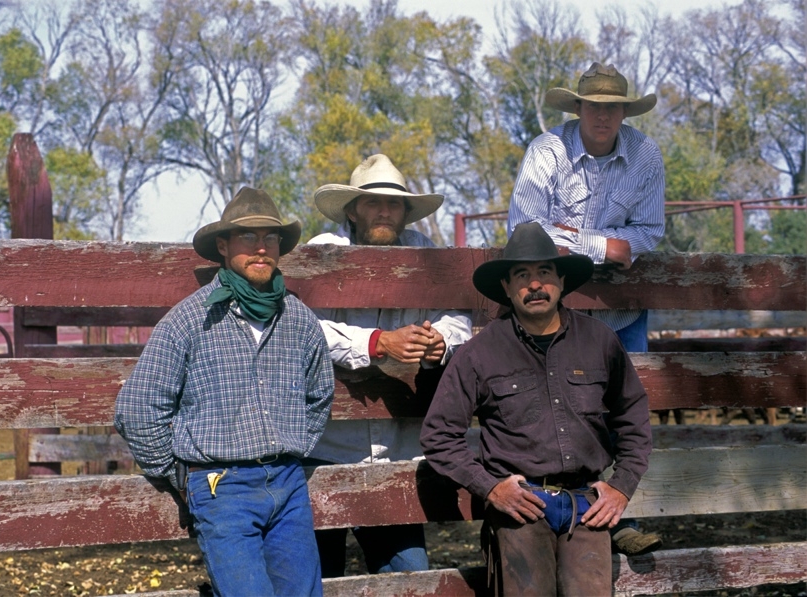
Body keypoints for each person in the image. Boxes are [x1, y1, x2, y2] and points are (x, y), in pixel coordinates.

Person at [114, 187, 335, 597]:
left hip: (287, 480)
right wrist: (181, 475)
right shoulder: (189, 320)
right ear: (223, 245)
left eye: (271, 238)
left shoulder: (299, 320)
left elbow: (320, 394)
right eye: (248, 237)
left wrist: (295, 445)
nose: (261, 248)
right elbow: (138, 409)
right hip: (221, 484)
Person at [421, 222, 653, 595]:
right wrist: (491, 488)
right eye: (522, 275)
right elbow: (438, 436)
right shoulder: (479, 353)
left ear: (561, 281)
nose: (534, 285)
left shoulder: (599, 341)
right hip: (521, 506)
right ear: (506, 287)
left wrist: (621, 488)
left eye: (544, 273)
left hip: (586, 506)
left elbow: (634, 418)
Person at [506, 62, 667, 553]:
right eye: (594, 106)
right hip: (558, 311)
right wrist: (603, 247)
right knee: (558, 408)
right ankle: (554, 515)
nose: (604, 116)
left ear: (624, 111)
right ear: (578, 108)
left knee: (627, 412)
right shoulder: (547, 151)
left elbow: (649, 233)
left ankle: (620, 515)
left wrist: (576, 239)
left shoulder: (645, 154)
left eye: (613, 107)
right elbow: (527, 228)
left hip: (621, 313)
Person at [306, 153, 473, 576]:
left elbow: (458, 317)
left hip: (398, 454)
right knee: (318, 579)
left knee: (410, 577)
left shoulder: (426, 257)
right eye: (372, 203)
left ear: (405, 212)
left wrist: (441, 342)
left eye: (394, 204)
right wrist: (378, 343)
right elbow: (304, 328)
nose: (384, 211)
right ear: (351, 210)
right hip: (325, 452)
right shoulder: (324, 253)